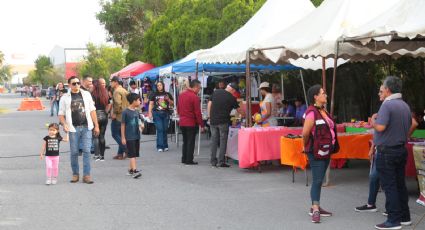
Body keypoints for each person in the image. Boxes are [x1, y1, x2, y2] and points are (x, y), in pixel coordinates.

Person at [371, 76, 412, 230]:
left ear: (388, 90)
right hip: (400, 149)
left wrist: (373, 121)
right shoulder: (404, 105)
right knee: (400, 184)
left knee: (390, 186)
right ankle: (404, 217)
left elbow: (380, 127)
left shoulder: (387, 105)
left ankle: (393, 220)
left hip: (387, 151)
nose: (380, 92)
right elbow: (410, 124)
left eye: (381, 89)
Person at [302, 84, 339, 223]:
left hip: (325, 150)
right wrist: (307, 146)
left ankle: (315, 205)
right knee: (317, 180)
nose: (325, 95)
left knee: (319, 180)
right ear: (315, 97)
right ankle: (315, 209)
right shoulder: (312, 112)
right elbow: (305, 133)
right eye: (323, 93)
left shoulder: (323, 111)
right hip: (315, 151)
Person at [58, 76, 99, 184]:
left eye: (78, 83)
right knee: (74, 152)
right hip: (73, 128)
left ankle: (87, 175)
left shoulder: (86, 94)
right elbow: (61, 114)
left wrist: (96, 125)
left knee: (86, 151)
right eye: (74, 83)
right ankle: (75, 174)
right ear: (69, 85)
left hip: (86, 127)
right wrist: (64, 124)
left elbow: (92, 110)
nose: (76, 85)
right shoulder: (65, 97)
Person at [208, 82, 240, 167]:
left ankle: (213, 161)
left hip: (213, 121)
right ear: (232, 90)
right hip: (223, 121)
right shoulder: (232, 97)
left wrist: (209, 116)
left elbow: (209, 104)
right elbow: (239, 110)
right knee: (223, 141)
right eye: (234, 91)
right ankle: (221, 161)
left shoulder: (216, 92)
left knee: (214, 140)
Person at [177, 79, 205, 165]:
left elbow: (178, 108)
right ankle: (189, 160)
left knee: (185, 141)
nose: (199, 90)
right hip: (191, 122)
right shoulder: (195, 97)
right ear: (195, 87)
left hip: (182, 121)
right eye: (199, 88)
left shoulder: (181, 95)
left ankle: (184, 158)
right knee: (190, 142)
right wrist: (202, 124)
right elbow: (197, 112)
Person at [121, 93, 143, 179]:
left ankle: (130, 170)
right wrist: (123, 137)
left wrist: (141, 126)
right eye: (138, 100)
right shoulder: (125, 112)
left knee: (134, 154)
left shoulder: (137, 111)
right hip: (129, 136)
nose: (140, 101)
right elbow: (123, 125)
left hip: (136, 135)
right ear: (133, 101)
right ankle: (134, 171)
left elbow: (139, 121)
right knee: (132, 154)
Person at [148, 81, 174, 152]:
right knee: (160, 129)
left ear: (163, 85)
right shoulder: (154, 94)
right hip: (156, 113)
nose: (159, 86)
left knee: (165, 130)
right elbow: (151, 104)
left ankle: (165, 145)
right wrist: (149, 113)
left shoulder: (167, 94)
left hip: (166, 113)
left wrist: (168, 99)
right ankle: (160, 146)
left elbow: (172, 104)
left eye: (160, 85)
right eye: (158, 85)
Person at [110, 76, 129, 160]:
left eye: (111, 82)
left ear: (116, 82)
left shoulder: (116, 91)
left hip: (118, 116)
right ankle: (120, 154)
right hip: (125, 115)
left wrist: (114, 113)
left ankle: (126, 149)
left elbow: (117, 104)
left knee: (114, 134)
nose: (111, 83)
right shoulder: (125, 90)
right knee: (122, 135)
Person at [92, 78, 110, 161]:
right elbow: (109, 104)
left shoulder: (93, 93)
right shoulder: (106, 93)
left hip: (95, 115)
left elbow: (91, 106)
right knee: (102, 136)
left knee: (95, 136)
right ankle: (102, 156)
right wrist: (106, 112)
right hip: (104, 115)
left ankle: (96, 155)